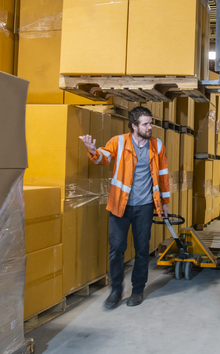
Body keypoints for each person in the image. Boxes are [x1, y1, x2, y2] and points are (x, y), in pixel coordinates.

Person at [80, 106, 170, 308]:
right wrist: (93, 151)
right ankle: (116, 290)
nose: (150, 127)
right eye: (146, 124)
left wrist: (165, 203)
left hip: (145, 207)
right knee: (117, 248)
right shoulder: (119, 142)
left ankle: (138, 290)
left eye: (150, 122)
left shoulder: (157, 145)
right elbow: (104, 157)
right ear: (134, 126)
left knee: (141, 250)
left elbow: (163, 175)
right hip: (120, 206)